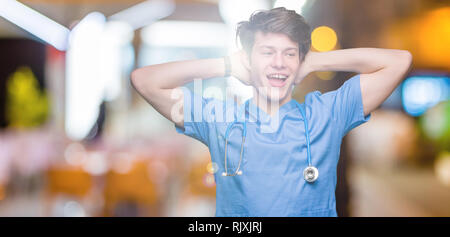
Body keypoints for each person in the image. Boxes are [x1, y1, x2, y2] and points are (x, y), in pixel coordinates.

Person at [130, 7, 412, 217]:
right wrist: (225, 65)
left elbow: (399, 61)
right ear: (247, 59)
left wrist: (315, 61)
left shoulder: (327, 114)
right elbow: (144, 80)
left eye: (289, 53)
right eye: (267, 52)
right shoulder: (219, 120)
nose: (279, 63)